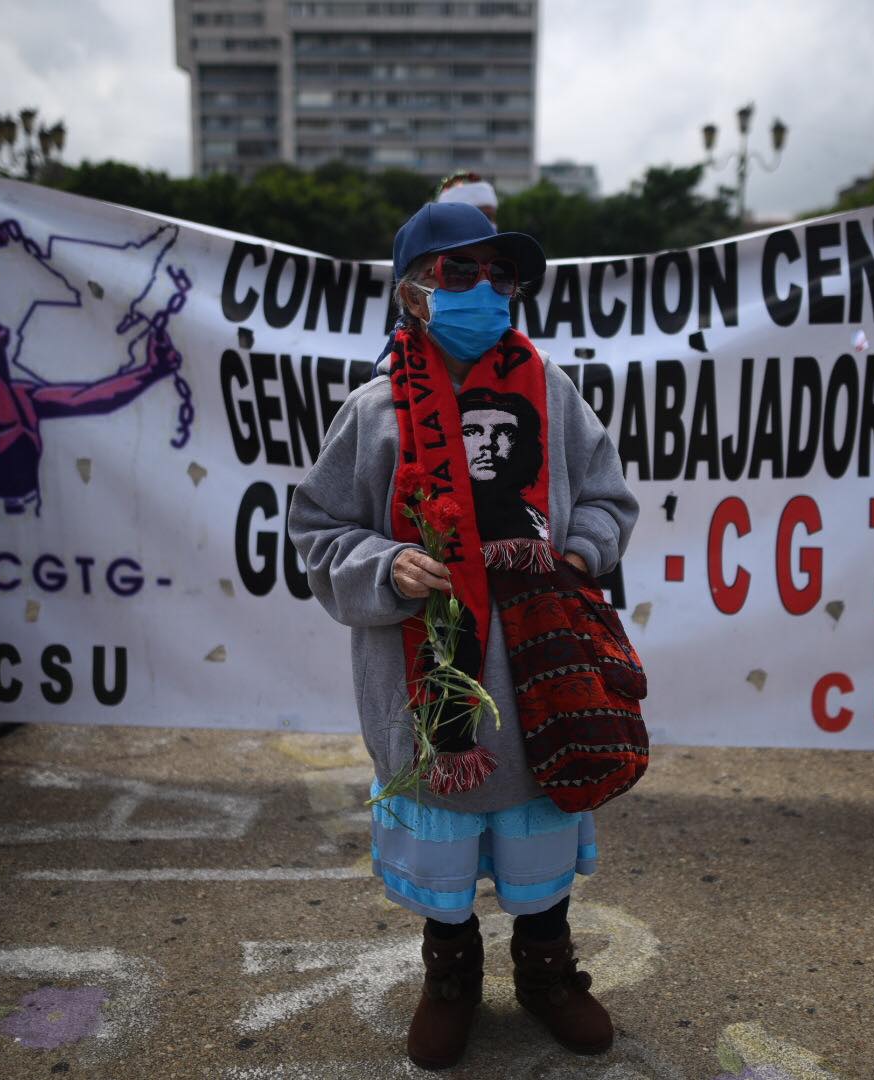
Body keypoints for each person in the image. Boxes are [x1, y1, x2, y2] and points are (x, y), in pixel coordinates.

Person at [289, 201, 637, 1070]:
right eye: (459, 274)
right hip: (428, 694)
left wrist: (580, 553)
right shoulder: (372, 412)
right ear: (413, 295)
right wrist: (387, 567)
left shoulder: (552, 392)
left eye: (500, 275)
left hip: (539, 684)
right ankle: (450, 979)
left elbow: (607, 498)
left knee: (540, 840)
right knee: (446, 864)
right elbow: (315, 530)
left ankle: (549, 974)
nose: (486, 290)